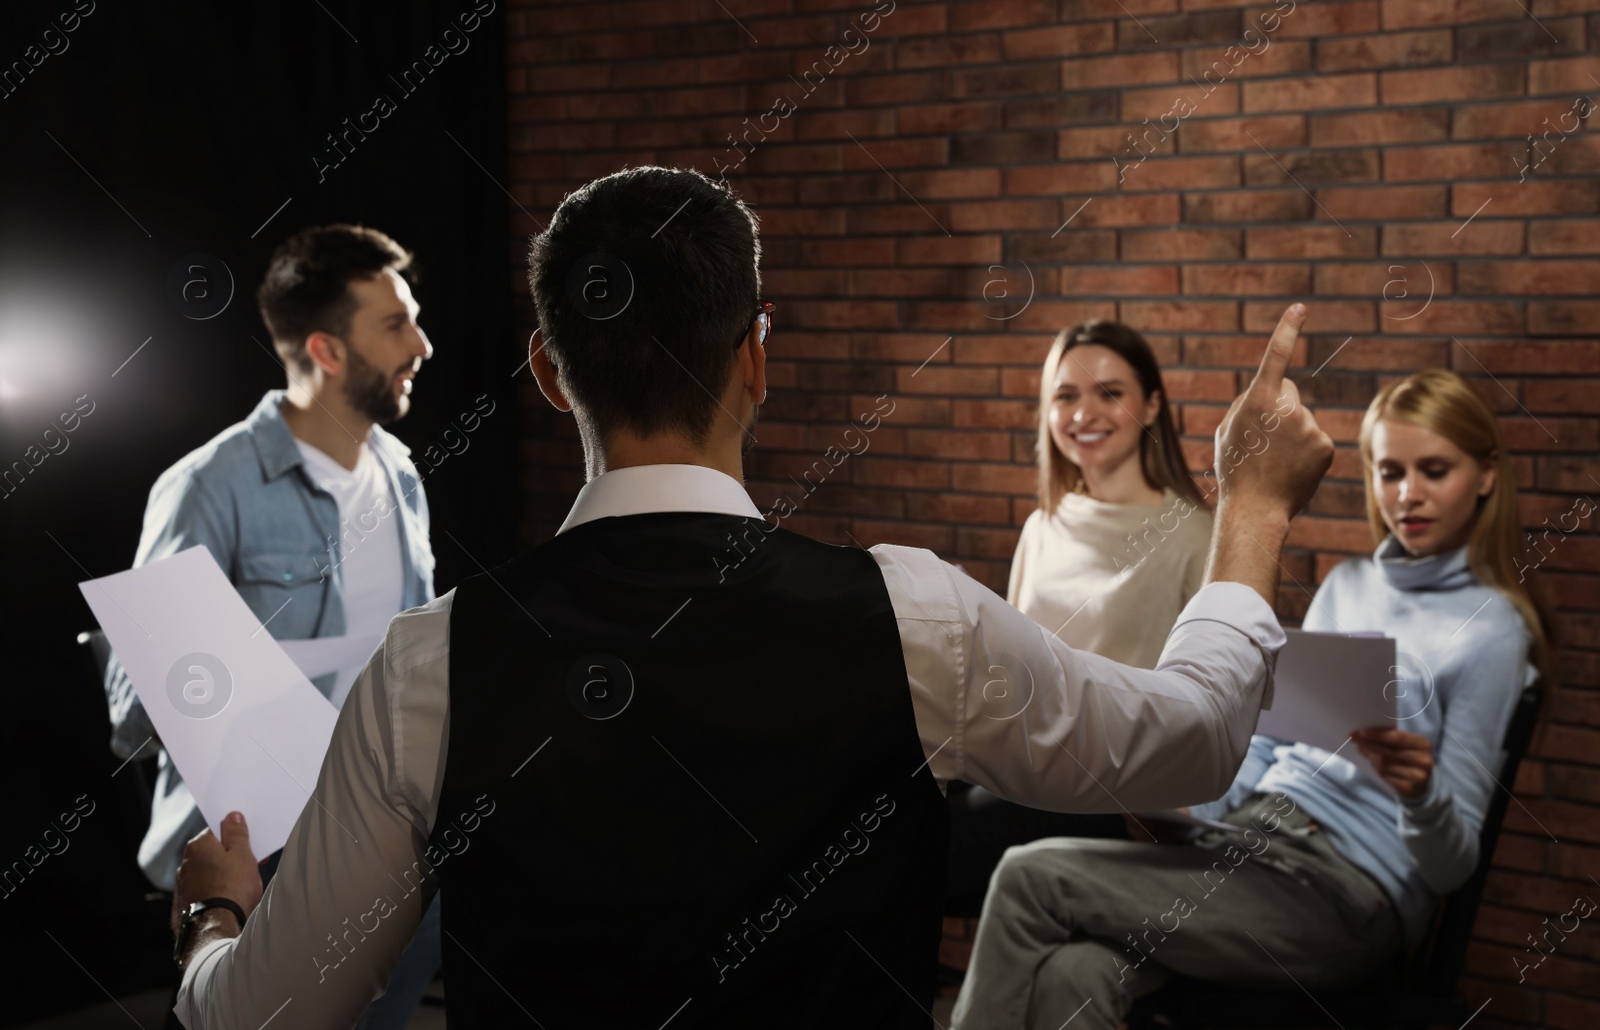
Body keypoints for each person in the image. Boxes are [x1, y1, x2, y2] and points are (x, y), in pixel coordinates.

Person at [164, 166, 1333, 1029]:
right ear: (755, 357)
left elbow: (256, 1019)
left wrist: (213, 918)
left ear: (544, 370)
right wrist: (1254, 504)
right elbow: (1191, 741)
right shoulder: (913, 613)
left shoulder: (430, 662)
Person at [949, 368, 1558, 1030]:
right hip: (1246, 847)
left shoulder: (1495, 628)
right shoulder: (1347, 584)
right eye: (1389, 472)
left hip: (1347, 892)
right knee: (1078, 971)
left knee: (1029, 874)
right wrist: (1184, 804)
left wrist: (1420, 794)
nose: (1407, 493)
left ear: (1487, 474)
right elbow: (1268, 741)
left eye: (1434, 471)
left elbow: (1452, 866)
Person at [101, 224, 445, 1029]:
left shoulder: (401, 473)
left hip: (392, 835)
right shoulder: (207, 486)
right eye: (395, 324)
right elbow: (134, 704)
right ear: (326, 351)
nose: (422, 345)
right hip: (266, 859)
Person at [945, 321, 1217, 915]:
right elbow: (1009, 675)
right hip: (1019, 765)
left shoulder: (1195, 536)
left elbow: (1216, 703)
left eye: (1109, 393)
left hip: (1113, 795)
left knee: (912, 854)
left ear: (1151, 405)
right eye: (1066, 395)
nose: (1083, 412)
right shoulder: (1044, 526)